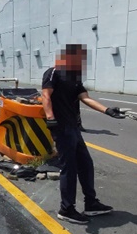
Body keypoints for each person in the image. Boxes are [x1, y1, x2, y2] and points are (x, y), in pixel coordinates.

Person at [42, 44, 125, 224]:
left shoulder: (74, 78)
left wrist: (107, 110)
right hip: (61, 127)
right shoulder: (53, 72)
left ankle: (91, 203)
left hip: (73, 128)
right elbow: (46, 95)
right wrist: (50, 117)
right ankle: (67, 208)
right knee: (69, 167)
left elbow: (85, 98)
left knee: (86, 164)